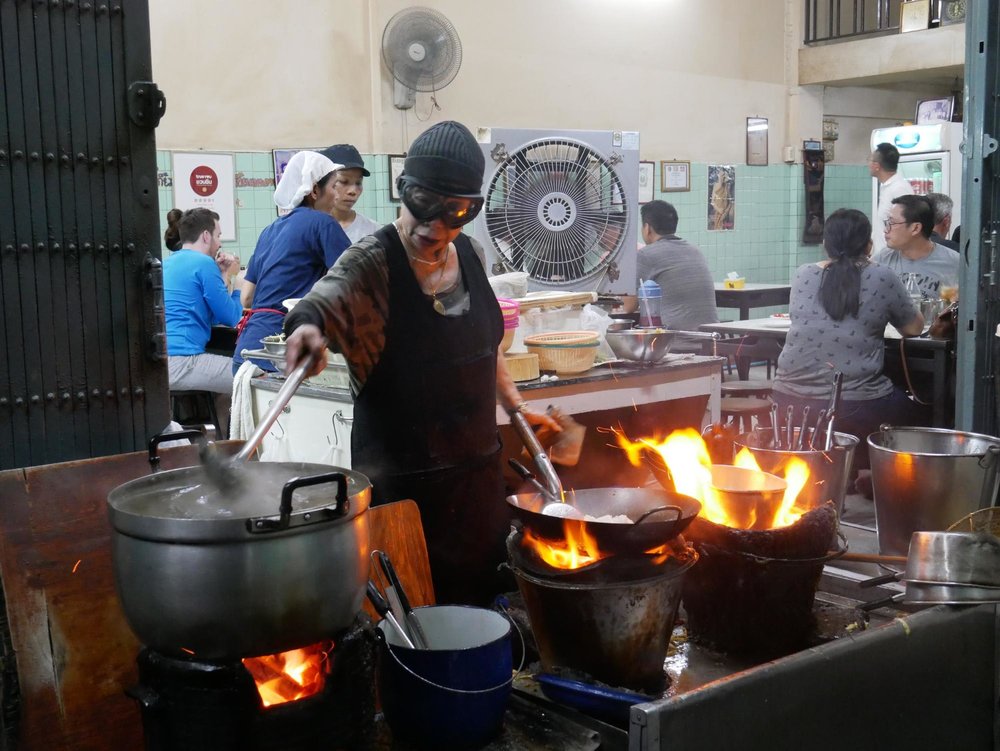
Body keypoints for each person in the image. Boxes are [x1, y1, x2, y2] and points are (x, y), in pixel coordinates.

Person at [282, 121, 558, 605]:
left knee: (485, 625)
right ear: (403, 190)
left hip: (477, 491)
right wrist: (306, 329)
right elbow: (322, 301)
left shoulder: (469, 253)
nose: (437, 224)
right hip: (404, 506)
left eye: (457, 210)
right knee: (413, 634)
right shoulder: (373, 261)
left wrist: (514, 403)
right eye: (424, 203)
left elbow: (484, 347)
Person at [772, 209, 924, 487]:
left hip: (787, 400)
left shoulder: (803, 274)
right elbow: (914, 328)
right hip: (853, 406)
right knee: (919, 410)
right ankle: (884, 477)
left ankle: (846, 469)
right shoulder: (881, 276)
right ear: (869, 245)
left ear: (825, 244)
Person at [233, 151, 352, 372]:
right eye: (335, 186)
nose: (338, 195)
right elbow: (355, 283)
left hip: (248, 350)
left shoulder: (269, 230)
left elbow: (247, 298)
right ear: (315, 190)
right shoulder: (323, 223)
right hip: (286, 350)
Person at [162, 208, 243, 430]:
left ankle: (224, 442)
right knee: (250, 378)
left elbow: (213, 312)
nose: (219, 243)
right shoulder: (204, 263)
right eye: (218, 236)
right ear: (206, 236)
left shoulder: (167, 263)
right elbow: (232, 317)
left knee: (228, 383)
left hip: (159, 364)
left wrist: (222, 275)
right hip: (183, 361)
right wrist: (236, 283)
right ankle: (239, 448)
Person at [636, 200, 719, 351]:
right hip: (710, 343)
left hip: (675, 345)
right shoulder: (695, 251)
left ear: (647, 228)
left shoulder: (646, 255)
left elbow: (629, 305)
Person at [873, 194, 961, 300]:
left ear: (915, 228)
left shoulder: (954, 263)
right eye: (887, 222)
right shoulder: (881, 260)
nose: (886, 229)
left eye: (892, 222)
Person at [319, 144, 381, 243]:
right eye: (344, 181)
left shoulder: (374, 231)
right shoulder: (310, 229)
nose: (353, 191)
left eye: (358, 183)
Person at [869, 142, 912, 253]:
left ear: (876, 166)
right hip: (883, 256)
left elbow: (907, 226)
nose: (868, 164)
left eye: (870, 160)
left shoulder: (899, 189)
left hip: (894, 258)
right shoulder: (886, 187)